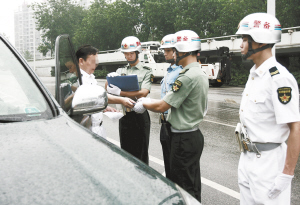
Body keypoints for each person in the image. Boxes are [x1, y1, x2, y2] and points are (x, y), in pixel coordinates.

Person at [133, 30, 208, 202]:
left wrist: (144, 102)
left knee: (182, 185)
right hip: (192, 134)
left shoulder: (187, 77)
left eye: (175, 50)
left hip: (183, 138)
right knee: (192, 183)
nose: (173, 54)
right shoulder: (198, 72)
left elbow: (162, 106)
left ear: (183, 51)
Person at [235, 13, 300, 204]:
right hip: (247, 157)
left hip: (269, 163)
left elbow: (295, 128)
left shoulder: (279, 78)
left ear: (260, 41)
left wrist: (287, 174)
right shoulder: (255, 74)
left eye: (244, 39)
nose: (240, 45)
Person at [105, 36, 153, 165]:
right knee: (126, 153)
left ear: (137, 52)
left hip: (139, 116)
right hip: (125, 116)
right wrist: (109, 79)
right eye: (126, 53)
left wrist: (120, 93)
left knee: (141, 154)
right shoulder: (121, 70)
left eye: (131, 53)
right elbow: (107, 88)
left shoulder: (146, 71)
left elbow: (144, 92)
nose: (129, 56)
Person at [75, 44, 135, 139]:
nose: (95, 65)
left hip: (98, 127)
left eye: (96, 62)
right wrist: (122, 100)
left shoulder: (91, 78)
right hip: (87, 129)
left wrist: (103, 108)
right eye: (92, 61)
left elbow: (91, 102)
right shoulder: (78, 80)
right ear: (81, 61)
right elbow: (98, 96)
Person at [159, 33, 182, 179]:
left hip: (174, 122)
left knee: (176, 167)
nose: (165, 54)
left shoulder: (180, 72)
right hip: (165, 122)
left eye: (168, 50)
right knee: (168, 163)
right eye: (164, 51)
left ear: (176, 51)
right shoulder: (170, 71)